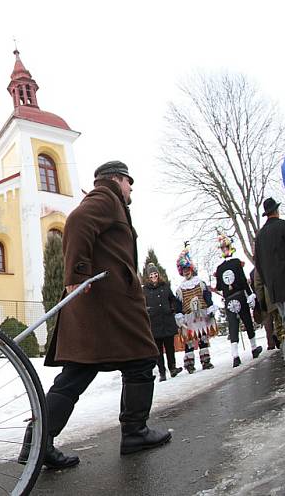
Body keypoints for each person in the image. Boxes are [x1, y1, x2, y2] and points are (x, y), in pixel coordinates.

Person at [26, 161, 170, 469]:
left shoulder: (110, 201)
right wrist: (78, 272)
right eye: (129, 181)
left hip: (103, 304)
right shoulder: (106, 197)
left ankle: (38, 442)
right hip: (109, 303)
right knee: (142, 360)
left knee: (78, 373)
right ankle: (135, 432)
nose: (132, 188)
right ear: (117, 179)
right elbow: (78, 222)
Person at [212, 232, 261, 367]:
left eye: (225, 248)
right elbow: (243, 280)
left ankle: (239, 355)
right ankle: (247, 351)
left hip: (230, 299)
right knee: (243, 322)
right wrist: (249, 293)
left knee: (235, 325)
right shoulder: (236, 263)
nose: (225, 250)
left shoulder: (220, 268)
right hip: (238, 296)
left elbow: (219, 287)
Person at [173, 246, 217, 374]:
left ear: (191, 269)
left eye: (188, 269)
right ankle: (189, 364)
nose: (186, 272)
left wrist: (210, 307)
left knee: (203, 337)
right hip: (188, 317)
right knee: (189, 341)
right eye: (184, 270)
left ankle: (206, 361)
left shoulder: (200, 283)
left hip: (201, 314)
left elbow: (207, 296)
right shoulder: (180, 289)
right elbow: (178, 304)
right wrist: (179, 315)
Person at [254, 197, 285, 365]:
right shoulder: (283, 227)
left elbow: (258, 265)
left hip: (273, 288)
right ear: (276, 210)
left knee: (283, 320)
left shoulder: (259, 237)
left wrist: (267, 283)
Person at [142, 264, 182, 381]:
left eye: (155, 274)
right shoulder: (145, 290)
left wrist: (172, 308)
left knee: (170, 347)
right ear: (148, 277)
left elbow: (172, 299)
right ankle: (162, 373)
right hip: (154, 323)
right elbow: (142, 304)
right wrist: (147, 311)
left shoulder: (165, 286)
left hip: (167, 320)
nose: (154, 276)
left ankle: (173, 368)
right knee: (158, 350)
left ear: (158, 275)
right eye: (151, 275)